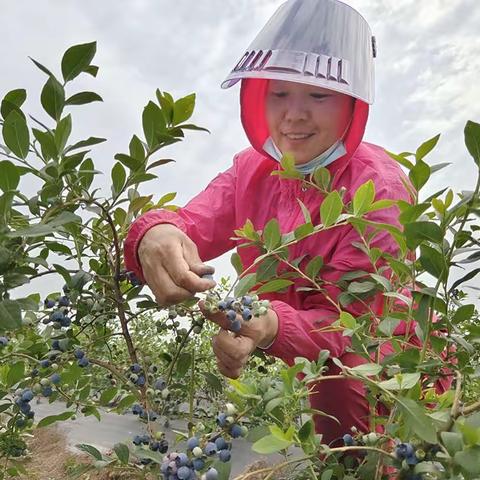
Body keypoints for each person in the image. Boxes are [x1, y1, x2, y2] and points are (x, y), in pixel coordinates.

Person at [124, 0, 419, 445]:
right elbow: (190, 224)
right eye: (279, 93)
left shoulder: (379, 191)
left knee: (379, 455)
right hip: (319, 378)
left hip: (391, 375)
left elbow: (354, 328)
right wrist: (154, 232)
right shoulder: (253, 171)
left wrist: (271, 325)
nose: (293, 115)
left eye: (318, 95)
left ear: (352, 105)